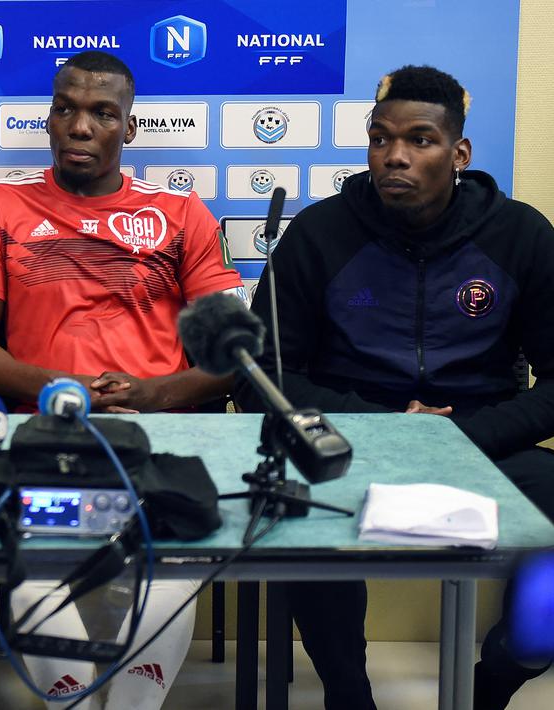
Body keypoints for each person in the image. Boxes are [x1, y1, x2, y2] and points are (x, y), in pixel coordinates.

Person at [235, 65, 554, 710]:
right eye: (380, 139)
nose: (395, 156)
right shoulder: (319, 233)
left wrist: (459, 435)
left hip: (478, 438)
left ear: (458, 152)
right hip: (351, 437)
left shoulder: (520, 235)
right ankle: (348, 695)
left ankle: (500, 672)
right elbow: (266, 375)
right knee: (301, 514)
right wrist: (384, 426)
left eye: (419, 140)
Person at [0, 51, 245, 707]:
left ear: (128, 130)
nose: (79, 126)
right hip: (40, 438)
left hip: (155, 442)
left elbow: (228, 355)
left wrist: (151, 393)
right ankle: (71, 698)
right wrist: (59, 384)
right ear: (49, 119)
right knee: (26, 563)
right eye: (65, 108)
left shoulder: (181, 211)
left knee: (172, 561)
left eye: (101, 113)